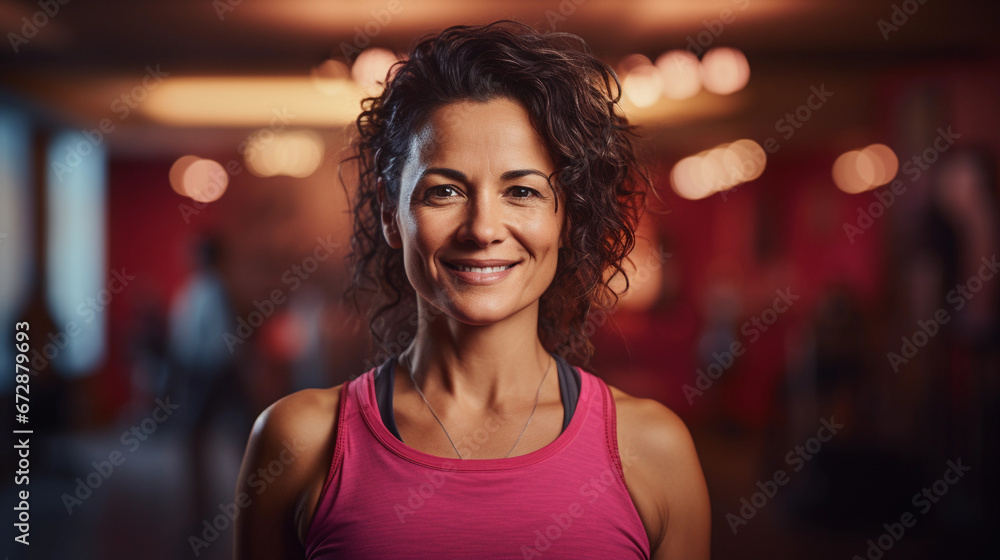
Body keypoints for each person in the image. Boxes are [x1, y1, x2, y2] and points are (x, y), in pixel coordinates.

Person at [234, 21, 710, 559]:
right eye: (445, 191)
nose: (483, 228)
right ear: (393, 215)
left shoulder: (652, 448)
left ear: (566, 219)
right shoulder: (298, 442)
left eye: (523, 191)